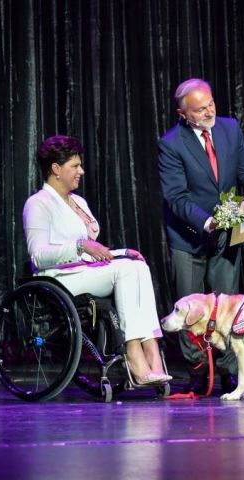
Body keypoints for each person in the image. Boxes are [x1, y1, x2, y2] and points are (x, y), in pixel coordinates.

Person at [157, 78, 244, 395]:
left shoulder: (230, 129)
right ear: (183, 113)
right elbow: (176, 197)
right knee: (189, 312)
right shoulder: (171, 144)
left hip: (226, 234)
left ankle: (230, 372)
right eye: (200, 109)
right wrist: (206, 223)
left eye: (211, 104)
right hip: (189, 237)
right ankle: (196, 372)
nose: (209, 112)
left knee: (228, 308)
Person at [23, 135, 171, 385]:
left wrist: (121, 252)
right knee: (125, 271)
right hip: (59, 278)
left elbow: (91, 249)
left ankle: (152, 352)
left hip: (84, 271)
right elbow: (38, 255)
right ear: (56, 169)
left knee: (137, 265)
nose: (81, 171)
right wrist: (80, 245)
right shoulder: (38, 203)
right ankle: (133, 353)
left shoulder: (78, 201)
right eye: (75, 166)